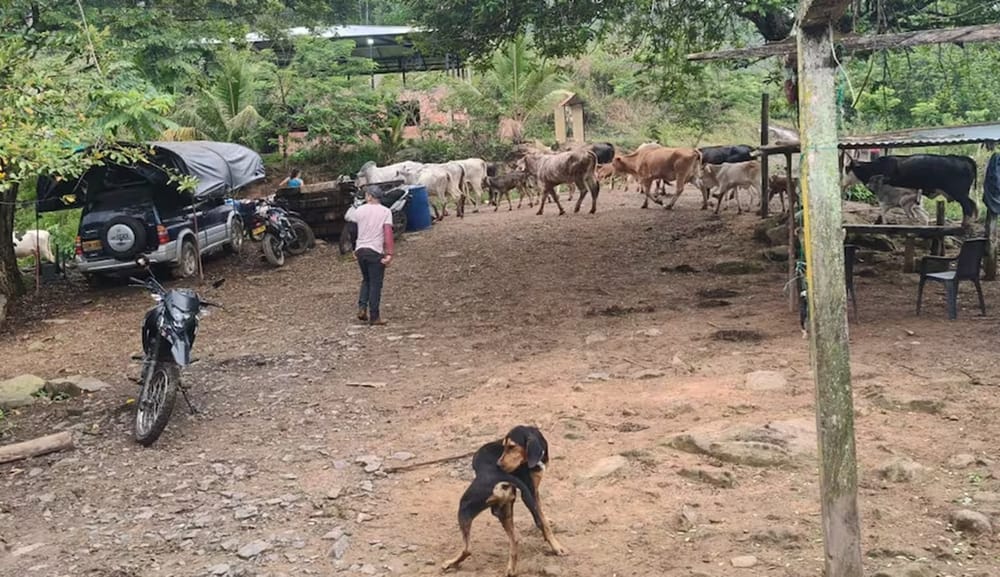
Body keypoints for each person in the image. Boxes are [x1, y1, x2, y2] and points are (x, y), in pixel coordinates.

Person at [345, 187, 394, 326]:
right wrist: (389, 253)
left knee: (366, 279)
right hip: (375, 250)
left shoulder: (359, 210)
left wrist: (354, 247)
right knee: (375, 283)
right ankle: (374, 316)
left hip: (361, 249)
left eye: (366, 194)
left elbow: (352, 229)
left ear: (370, 196)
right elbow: (388, 233)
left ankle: (362, 307)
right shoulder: (385, 211)